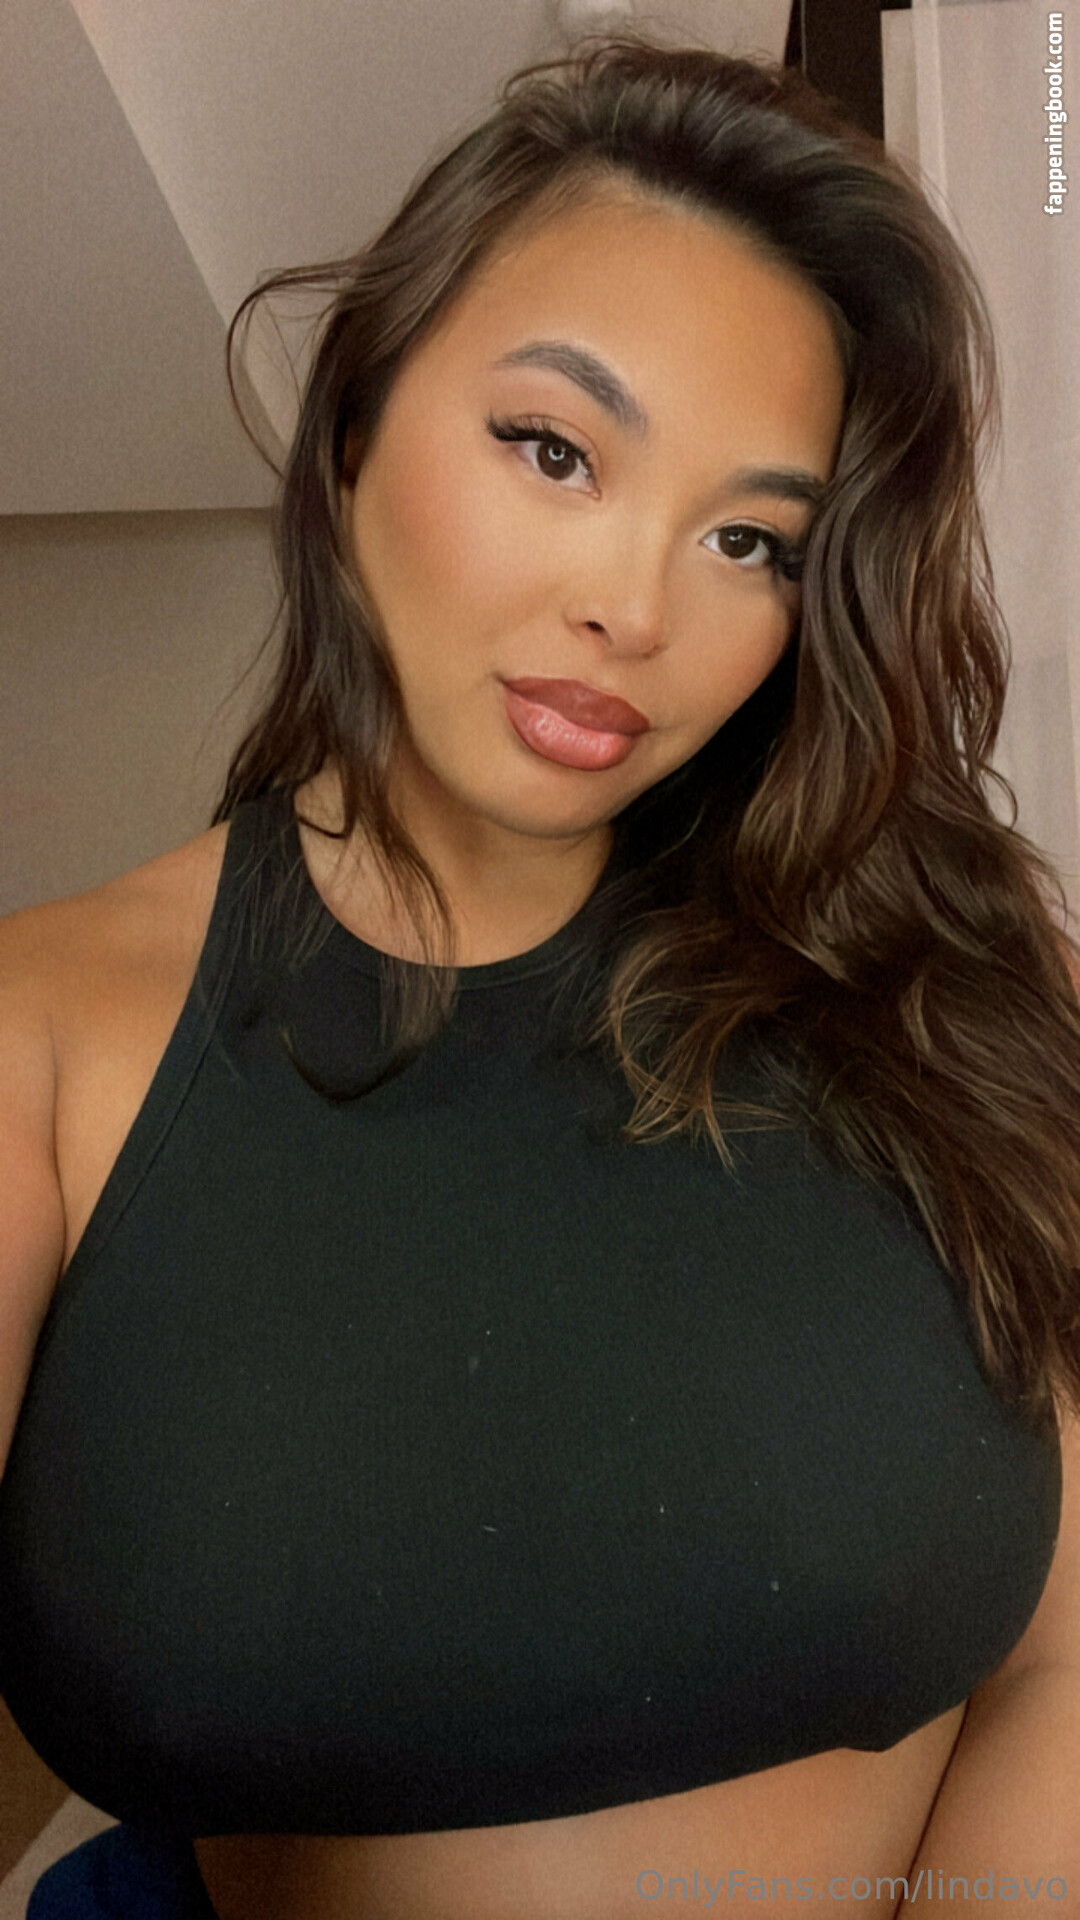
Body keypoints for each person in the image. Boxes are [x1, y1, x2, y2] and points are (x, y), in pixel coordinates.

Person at [2, 29, 1079, 1920]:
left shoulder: (943, 975)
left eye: (750, 539)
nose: (637, 610)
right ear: (356, 422)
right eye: (555, 449)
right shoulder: (46, 1040)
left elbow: (1071, 1647)